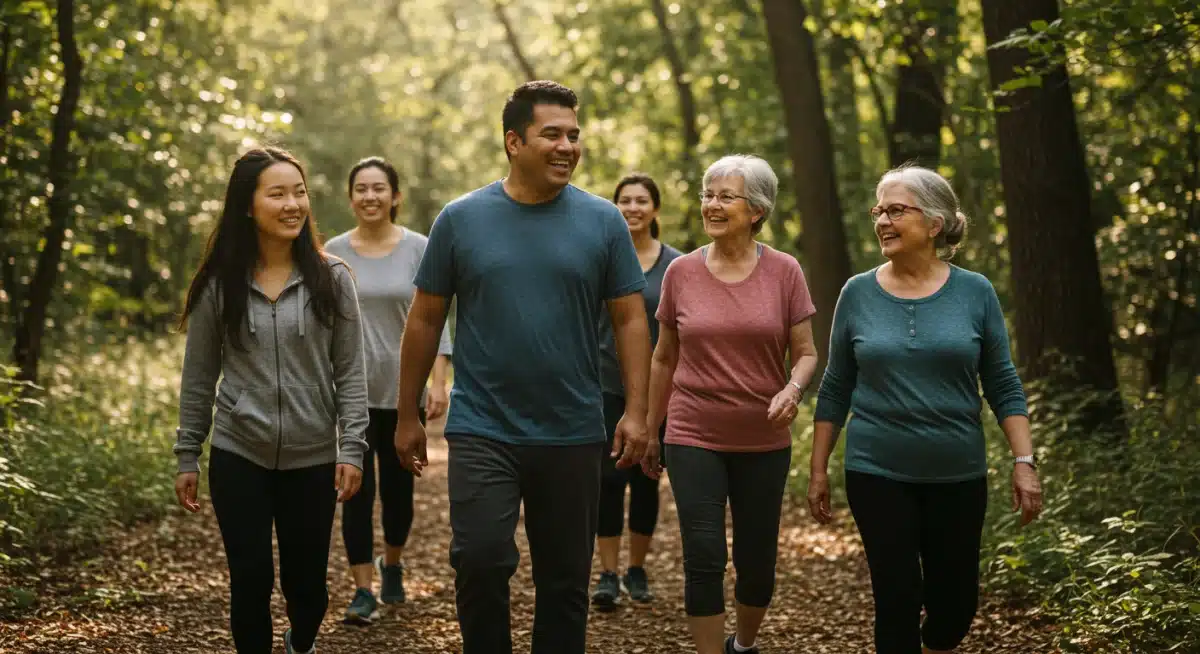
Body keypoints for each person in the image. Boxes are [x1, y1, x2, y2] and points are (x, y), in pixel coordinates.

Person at [392, 80, 653, 654]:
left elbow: (631, 320)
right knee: (480, 561)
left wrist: (638, 410)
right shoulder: (460, 219)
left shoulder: (603, 220)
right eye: (551, 134)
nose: (567, 146)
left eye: (574, 136)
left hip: (573, 428)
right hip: (484, 425)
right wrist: (407, 413)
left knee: (565, 583)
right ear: (513, 141)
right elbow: (425, 318)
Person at [808, 164, 1043, 654]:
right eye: (879, 210)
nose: (883, 221)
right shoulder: (856, 293)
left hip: (958, 472)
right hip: (876, 470)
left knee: (955, 607)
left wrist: (1024, 463)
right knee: (896, 596)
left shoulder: (975, 291)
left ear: (935, 224)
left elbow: (1002, 383)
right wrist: (818, 468)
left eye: (897, 210)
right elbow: (835, 385)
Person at [172, 146, 368, 654]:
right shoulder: (220, 285)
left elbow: (350, 372)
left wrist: (351, 448)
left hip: (312, 455)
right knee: (250, 583)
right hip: (240, 454)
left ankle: (300, 642)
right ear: (247, 206)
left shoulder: (334, 278)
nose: (292, 204)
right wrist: (187, 452)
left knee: (310, 592)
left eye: (299, 192)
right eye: (277, 193)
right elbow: (199, 376)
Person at [645, 154, 819, 654]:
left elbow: (806, 354)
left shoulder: (785, 271)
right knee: (703, 553)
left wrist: (792, 388)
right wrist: (652, 429)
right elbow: (663, 358)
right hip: (693, 432)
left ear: (757, 210)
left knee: (757, 559)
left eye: (725, 196)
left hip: (764, 438)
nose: (712, 205)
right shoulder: (680, 272)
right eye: (708, 195)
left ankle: (742, 644)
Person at [323, 156, 454, 624]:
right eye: (361, 188)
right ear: (351, 197)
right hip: (350, 395)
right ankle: (362, 589)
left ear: (395, 196)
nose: (370, 196)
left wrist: (438, 384)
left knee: (399, 494)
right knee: (353, 490)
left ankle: (392, 563)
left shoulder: (420, 247)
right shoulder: (331, 253)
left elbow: (434, 318)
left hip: (404, 395)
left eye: (379, 188)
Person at [591, 173, 682, 610]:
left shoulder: (676, 266)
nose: (632, 208)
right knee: (608, 480)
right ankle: (607, 574)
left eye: (641, 200)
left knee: (646, 476)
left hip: (661, 387)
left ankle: (637, 569)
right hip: (606, 384)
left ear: (655, 209)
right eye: (624, 200)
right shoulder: (601, 259)